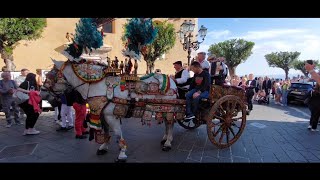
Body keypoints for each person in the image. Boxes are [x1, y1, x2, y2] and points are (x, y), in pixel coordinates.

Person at [305, 61, 320, 131]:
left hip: (313, 102)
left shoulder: (315, 88)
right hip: (317, 102)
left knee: (313, 114)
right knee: (316, 115)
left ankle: (311, 125)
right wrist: (311, 70)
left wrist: (311, 70)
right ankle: (313, 127)